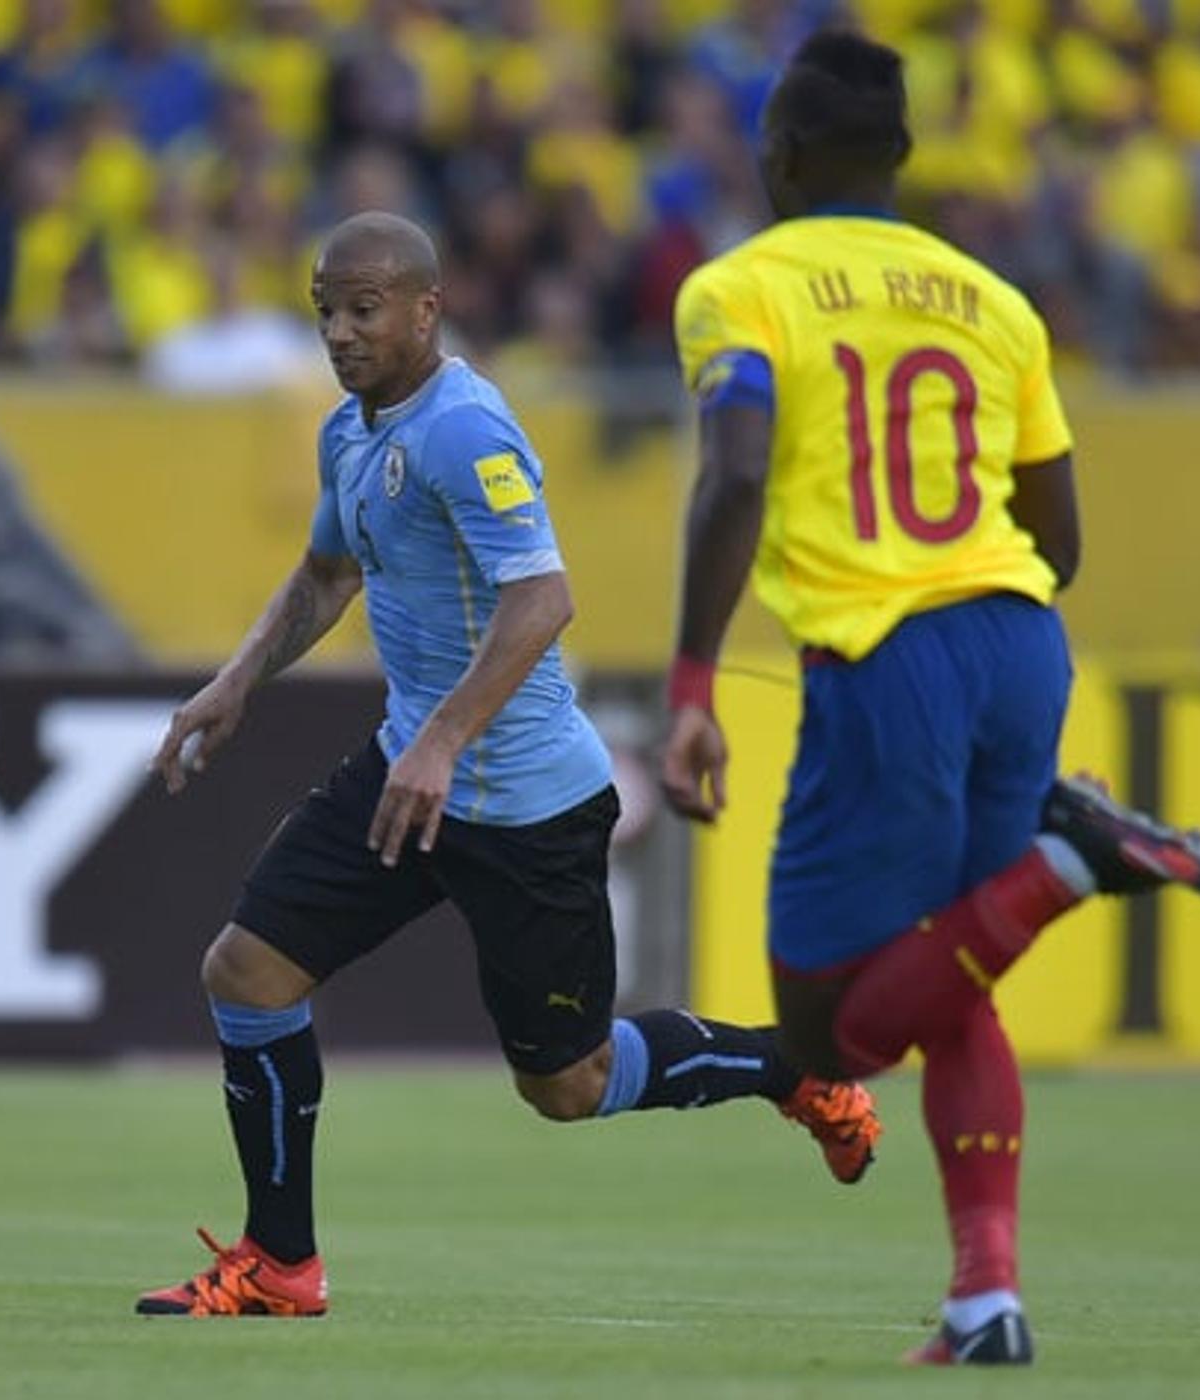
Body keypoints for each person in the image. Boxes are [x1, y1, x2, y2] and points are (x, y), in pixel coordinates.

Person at [139, 210, 882, 1318]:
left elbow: (545, 598)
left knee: (568, 1084)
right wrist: (238, 680)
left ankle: (795, 1068)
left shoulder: (464, 428)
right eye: (326, 311)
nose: (341, 332)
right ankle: (282, 1263)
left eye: (365, 307)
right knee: (245, 972)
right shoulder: (351, 432)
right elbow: (326, 575)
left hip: (526, 802)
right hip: (410, 779)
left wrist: (443, 737)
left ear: (426, 310)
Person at [660, 31, 1200, 1366]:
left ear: (782, 157)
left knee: (830, 1034)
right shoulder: (995, 301)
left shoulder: (739, 288)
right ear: (905, 159)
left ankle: (1064, 860)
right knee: (956, 981)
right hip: (1020, 640)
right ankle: (987, 1302)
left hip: (887, 660)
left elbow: (737, 471)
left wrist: (694, 681)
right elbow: (1063, 533)